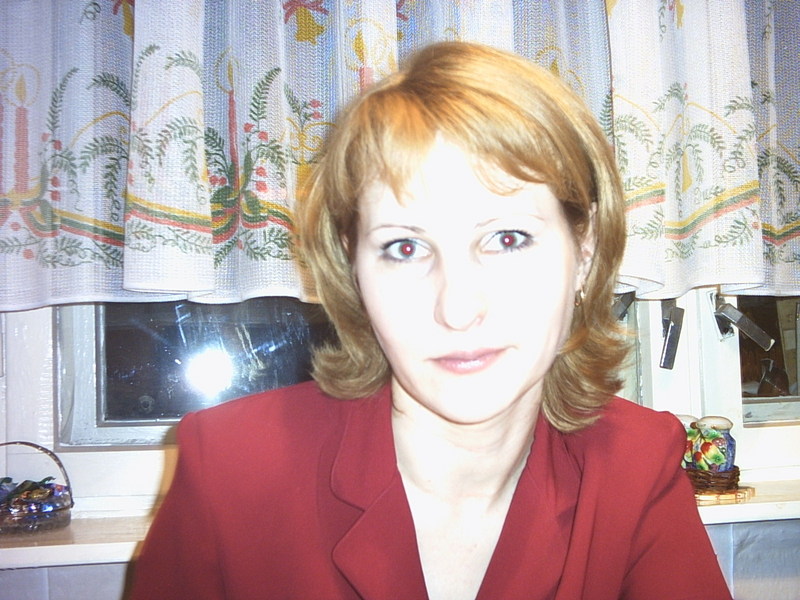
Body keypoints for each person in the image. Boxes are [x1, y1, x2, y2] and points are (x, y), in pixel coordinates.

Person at [129, 41, 733, 600]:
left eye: (508, 237)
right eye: (405, 247)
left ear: (586, 251)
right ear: (353, 269)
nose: (457, 308)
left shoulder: (635, 467)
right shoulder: (230, 471)